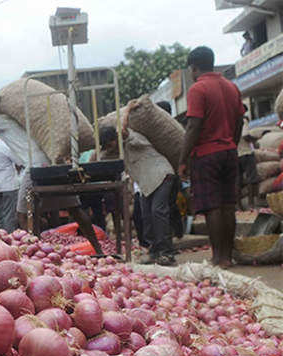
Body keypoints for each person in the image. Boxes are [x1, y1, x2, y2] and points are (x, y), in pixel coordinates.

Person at [0, 93, 103, 254]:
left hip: (35, 167)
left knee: (23, 215)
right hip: (53, 161)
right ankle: (98, 250)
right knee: (74, 209)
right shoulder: (27, 119)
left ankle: (38, 253)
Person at [179, 46, 245, 268]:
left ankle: (218, 258)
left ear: (194, 68)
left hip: (207, 154)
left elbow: (194, 125)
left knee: (212, 206)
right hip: (229, 151)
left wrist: (183, 158)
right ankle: (228, 255)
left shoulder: (198, 89)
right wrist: (232, 144)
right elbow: (239, 122)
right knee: (228, 204)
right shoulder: (231, 86)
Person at [100, 123, 176, 266]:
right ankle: (153, 252)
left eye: (110, 144)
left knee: (158, 212)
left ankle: (166, 253)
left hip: (161, 175)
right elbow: (102, 157)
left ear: (115, 139)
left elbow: (128, 136)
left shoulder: (133, 139)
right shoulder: (120, 151)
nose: (110, 148)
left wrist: (126, 116)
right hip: (146, 183)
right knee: (145, 216)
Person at [155, 100, 184, 239]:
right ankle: (176, 231)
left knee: (168, 203)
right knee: (170, 203)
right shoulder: (173, 127)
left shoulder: (166, 129)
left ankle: (175, 232)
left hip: (169, 172)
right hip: (172, 171)